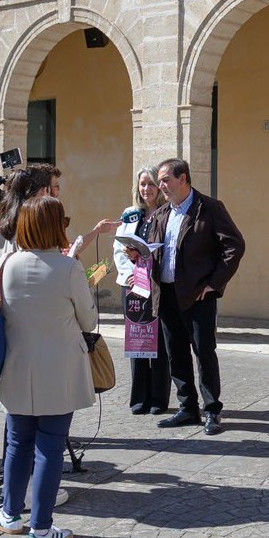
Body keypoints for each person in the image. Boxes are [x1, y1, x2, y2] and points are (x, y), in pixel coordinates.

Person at [0, 196, 97, 538]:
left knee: (17, 443)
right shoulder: (68, 269)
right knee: (49, 447)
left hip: (18, 364)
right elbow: (89, 320)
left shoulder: (7, 263)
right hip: (59, 367)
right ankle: (41, 529)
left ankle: (10, 513)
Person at [142, 158, 245, 435]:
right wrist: (140, 254)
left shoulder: (209, 208)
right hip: (166, 293)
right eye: (159, 180)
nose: (160, 185)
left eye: (165, 180)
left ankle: (212, 410)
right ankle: (187, 408)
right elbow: (156, 250)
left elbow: (234, 246)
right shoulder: (162, 213)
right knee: (176, 353)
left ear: (183, 178)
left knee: (204, 352)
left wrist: (214, 283)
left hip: (198, 295)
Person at [113, 166, 170, 415]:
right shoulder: (130, 214)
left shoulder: (167, 213)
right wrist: (129, 274)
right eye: (142, 184)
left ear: (159, 187)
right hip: (133, 286)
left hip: (158, 286)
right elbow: (119, 248)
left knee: (159, 342)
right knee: (137, 340)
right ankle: (139, 398)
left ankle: (158, 398)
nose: (145, 189)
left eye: (150, 184)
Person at [26, 163, 117, 259]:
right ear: (45, 190)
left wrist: (97, 230)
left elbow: (68, 249)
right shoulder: (30, 217)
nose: (58, 190)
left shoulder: (49, 215)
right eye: (56, 186)